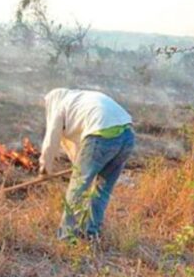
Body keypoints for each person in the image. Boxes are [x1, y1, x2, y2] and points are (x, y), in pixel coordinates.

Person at [39, 88, 134, 240]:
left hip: (101, 137)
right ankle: (91, 234)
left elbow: (51, 140)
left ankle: (67, 237)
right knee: (103, 189)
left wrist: (44, 168)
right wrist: (80, 164)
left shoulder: (59, 106)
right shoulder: (83, 99)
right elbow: (80, 145)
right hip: (127, 137)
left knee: (78, 188)